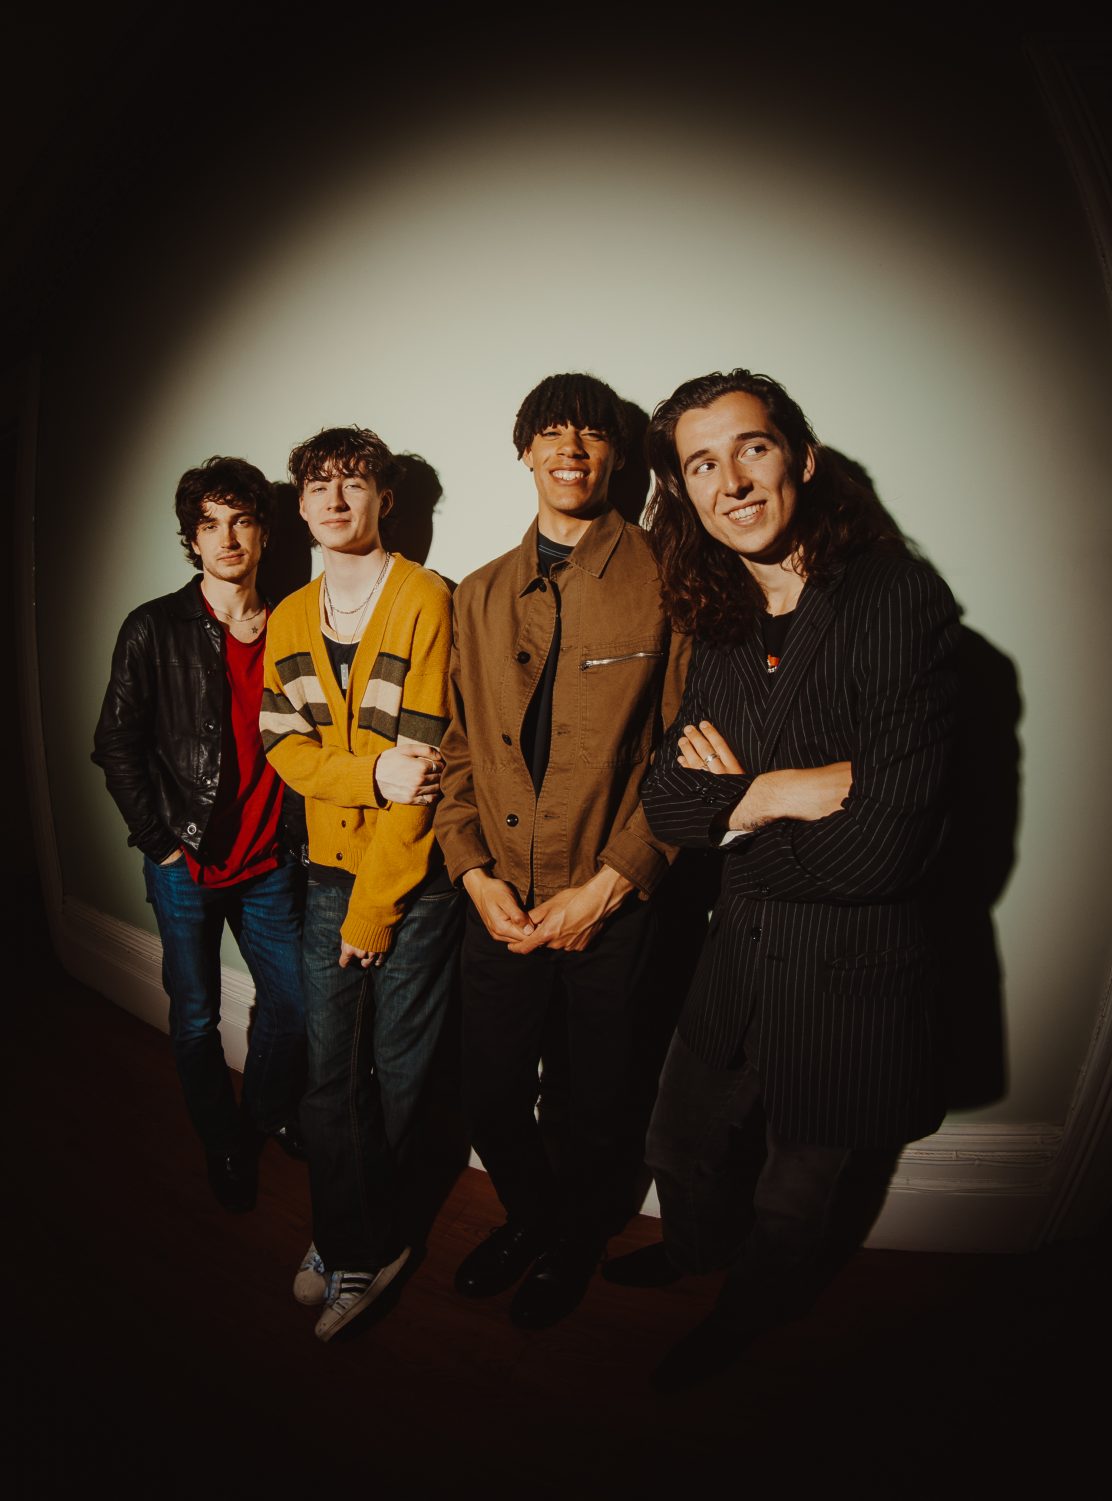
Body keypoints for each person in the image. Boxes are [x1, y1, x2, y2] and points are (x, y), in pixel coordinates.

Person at [602, 368, 960, 1389]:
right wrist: (774, 793)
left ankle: (747, 1312)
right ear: (684, 490)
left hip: (851, 975)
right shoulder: (718, 618)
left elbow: (886, 848)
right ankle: (694, 1250)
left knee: (794, 1195)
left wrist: (732, 811)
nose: (731, 482)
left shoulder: (894, 597)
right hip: (736, 957)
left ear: (800, 457)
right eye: (701, 464)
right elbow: (668, 804)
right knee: (679, 1138)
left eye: (750, 448)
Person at [435, 372, 689, 1329]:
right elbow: (459, 748)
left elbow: (687, 757)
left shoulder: (668, 579)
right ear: (526, 452)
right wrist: (471, 874)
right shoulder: (478, 593)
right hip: (498, 899)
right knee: (490, 1092)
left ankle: (576, 1239)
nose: (571, 448)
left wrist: (611, 888)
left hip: (610, 905)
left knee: (597, 1104)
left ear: (617, 456)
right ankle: (533, 1219)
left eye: (590, 433)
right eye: (551, 431)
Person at [261, 426, 460, 1342]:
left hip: (414, 883)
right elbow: (282, 743)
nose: (335, 500)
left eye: (353, 483)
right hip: (327, 873)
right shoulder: (291, 615)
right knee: (328, 1071)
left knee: (402, 1069)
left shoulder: (425, 598)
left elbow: (423, 776)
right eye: (318, 485)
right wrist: (369, 772)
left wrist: (375, 910)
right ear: (301, 505)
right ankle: (346, 1227)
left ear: (384, 499)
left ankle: (374, 1240)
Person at [93, 456, 307, 1214]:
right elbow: (115, 743)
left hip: (270, 861)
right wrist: (160, 843)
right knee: (193, 1016)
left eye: (241, 520)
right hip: (184, 862)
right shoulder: (152, 627)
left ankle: (267, 1111)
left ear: (264, 532)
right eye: (210, 524)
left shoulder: (295, 625)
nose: (227, 538)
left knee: (295, 1005)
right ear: (192, 538)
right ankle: (224, 1139)